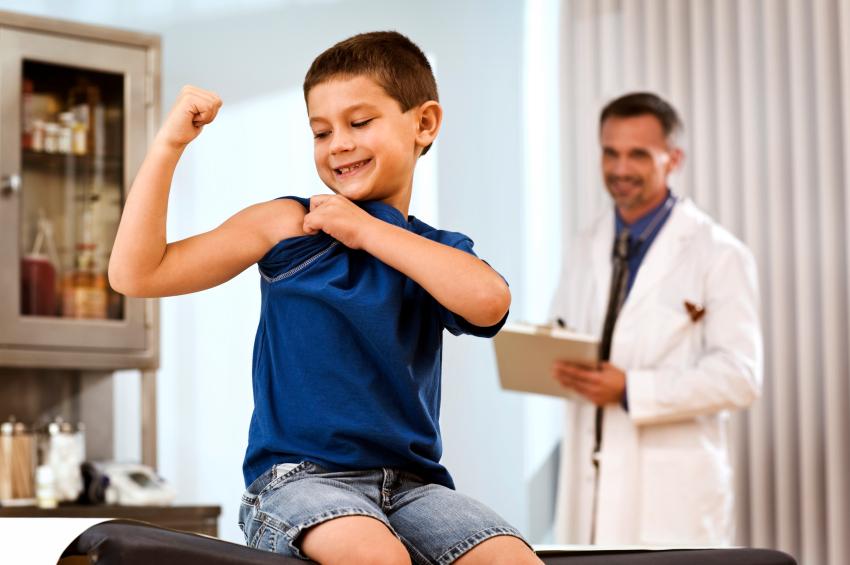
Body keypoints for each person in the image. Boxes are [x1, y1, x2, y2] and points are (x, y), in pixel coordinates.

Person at [109, 31, 541, 565]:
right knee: (377, 558)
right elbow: (137, 274)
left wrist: (366, 231)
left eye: (359, 123)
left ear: (423, 124)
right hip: (299, 480)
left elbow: (489, 301)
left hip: (414, 489)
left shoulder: (434, 253)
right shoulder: (293, 225)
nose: (338, 143)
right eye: (321, 131)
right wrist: (167, 146)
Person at [549, 92, 762, 546]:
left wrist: (631, 389)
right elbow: (564, 332)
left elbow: (740, 377)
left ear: (673, 158)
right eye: (610, 152)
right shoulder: (585, 244)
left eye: (638, 155)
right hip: (591, 475)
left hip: (670, 495)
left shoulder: (719, 253)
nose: (620, 169)